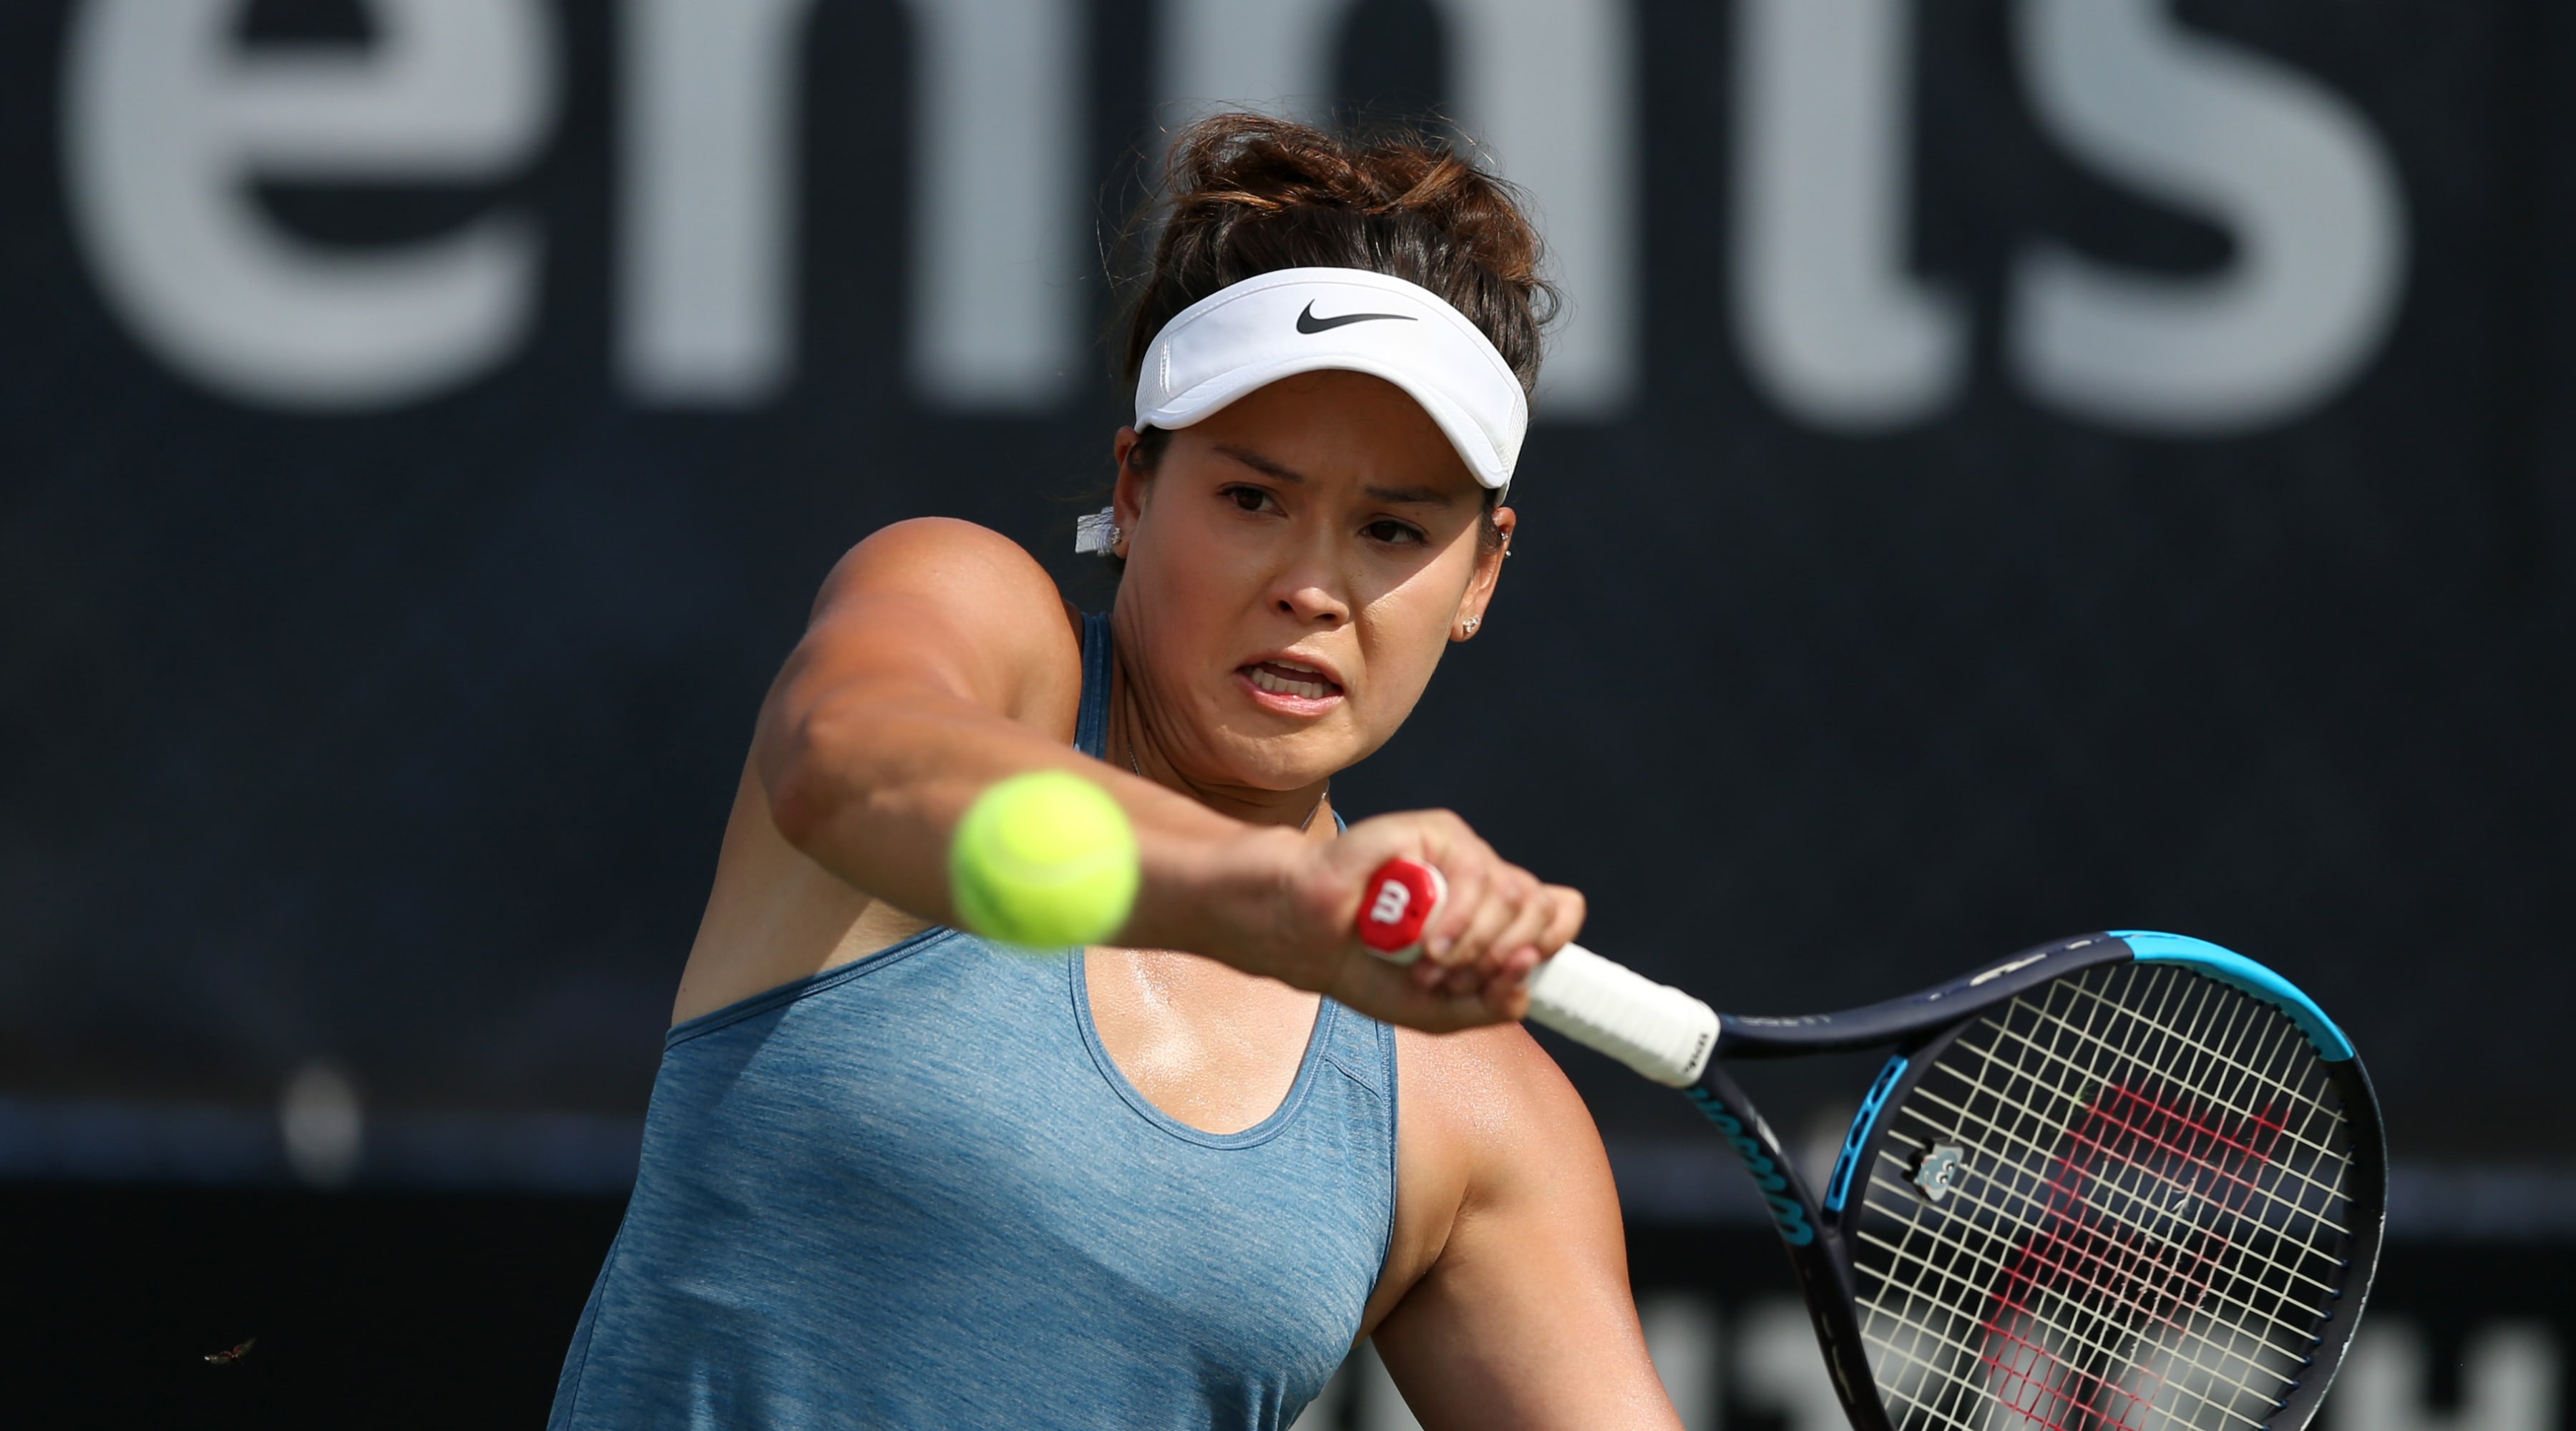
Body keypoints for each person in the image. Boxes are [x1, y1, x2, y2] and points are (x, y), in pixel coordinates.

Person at [548, 113, 1681, 1430]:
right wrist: (1282, 905)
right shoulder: (973, 626)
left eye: (1391, 530)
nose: (1312, 589)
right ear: (1135, 489)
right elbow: (845, 770)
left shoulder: (1476, 1111)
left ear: (1481, 574)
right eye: (1252, 499)